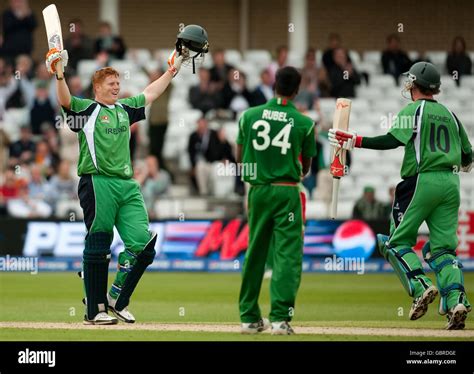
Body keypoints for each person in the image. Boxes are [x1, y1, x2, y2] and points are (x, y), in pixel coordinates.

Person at [46, 28, 189, 325]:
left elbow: (150, 93)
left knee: (143, 246)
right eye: (111, 83)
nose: (116, 87)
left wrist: (171, 71)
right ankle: (94, 310)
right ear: (97, 87)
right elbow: (66, 102)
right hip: (97, 182)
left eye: (118, 83)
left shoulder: (125, 109)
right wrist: (59, 75)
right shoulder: (86, 110)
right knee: (99, 244)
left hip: (127, 185)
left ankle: (116, 298)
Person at [329, 61, 472, 330]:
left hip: (420, 181)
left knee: (395, 242)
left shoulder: (414, 110)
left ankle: (421, 287)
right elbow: (468, 157)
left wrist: (354, 140)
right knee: (443, 250)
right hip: (451, 184)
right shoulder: (452, 115)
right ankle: (456, 301)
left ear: (413, 84)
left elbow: (392, 140)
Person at [237, 66, 316, 335]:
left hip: (257, 190)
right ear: (297, 90)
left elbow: (240, 156)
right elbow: (305, 168)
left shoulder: (248, 116)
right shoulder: (305, 123)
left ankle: (248, 318)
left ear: (273, 85)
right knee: (287, 255)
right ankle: (280, 319)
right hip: (287, 191)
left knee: (255, 251)